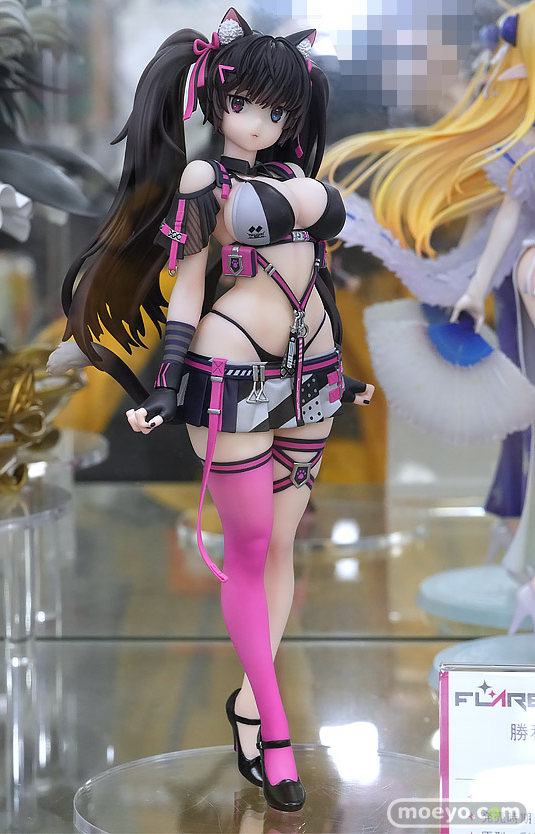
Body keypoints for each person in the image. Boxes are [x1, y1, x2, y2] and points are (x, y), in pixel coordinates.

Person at [50, 8, 373, 812]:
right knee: (251, 546)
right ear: (215, 98)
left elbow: (316, 276)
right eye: (246, 104)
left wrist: (343, 374)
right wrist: (167, 381)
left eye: (278, 110)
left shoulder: (291, 175)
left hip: (312, 366)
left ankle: (249, 703)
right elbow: (187, 288)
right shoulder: (206, 184)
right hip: (232, 367)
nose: (260, 122)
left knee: (284, 547)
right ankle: (274, 730)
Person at [322, 2, 535, 597]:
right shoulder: (487, 133)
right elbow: (490, 221)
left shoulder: (495, 121)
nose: (406, 64)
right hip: (452, 306)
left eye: (416, 49)